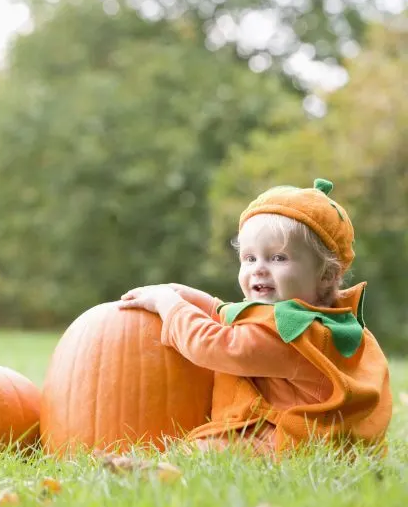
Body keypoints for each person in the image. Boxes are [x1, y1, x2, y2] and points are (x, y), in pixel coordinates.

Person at [118, 178, 392, 455]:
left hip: (294, 441)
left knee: (203, 451)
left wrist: (170, 305)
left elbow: (214, 344)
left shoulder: (292, 333)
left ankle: (151, 469)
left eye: (278, 258)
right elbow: (246, 319)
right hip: (320, 436)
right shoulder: (321, 320)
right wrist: (195, 298)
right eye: (250, 258)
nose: (259, 269)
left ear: (326, 275)